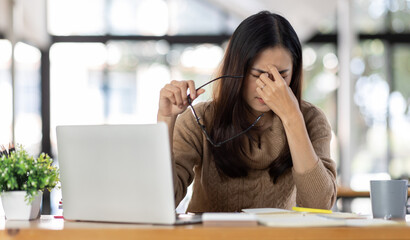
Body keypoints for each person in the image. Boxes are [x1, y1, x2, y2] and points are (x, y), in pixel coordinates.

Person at [157, 11, 336, 212]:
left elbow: (319, 206)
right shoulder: (200, 119)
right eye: (257, 74)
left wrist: (292, 118)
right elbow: (162, 201)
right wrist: (166, 119)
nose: (267, 86)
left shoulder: (311, 119)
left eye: (281, 76)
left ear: (293, 74)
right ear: (236, 69)